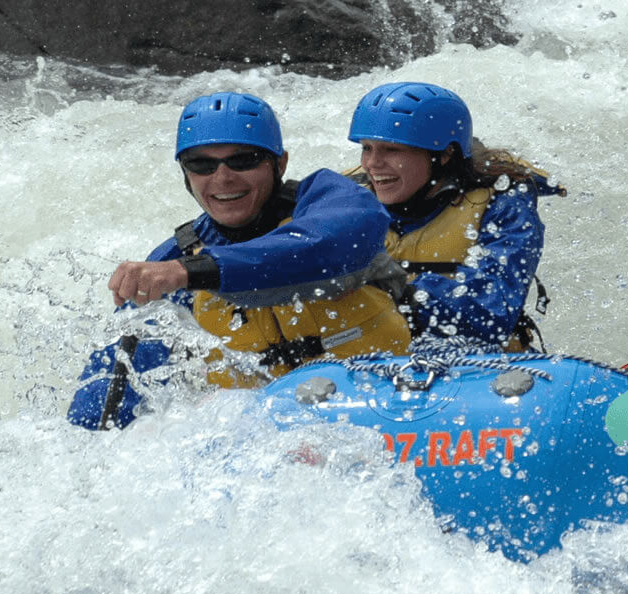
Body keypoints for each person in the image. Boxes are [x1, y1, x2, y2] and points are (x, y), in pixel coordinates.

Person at [68, 91, 410, 430]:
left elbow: (324, 246)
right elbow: (105, 405)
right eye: (201, 164)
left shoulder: (332, 199)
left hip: (387, 395)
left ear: (280, 163)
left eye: (243, 160)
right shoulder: (172, 262)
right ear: (185, 174)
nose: (222, 178)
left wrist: (197, 271)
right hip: (269, 432)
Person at [346, 82, 562, 351]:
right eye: (367, 148)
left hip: (477, 368)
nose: (372, 164)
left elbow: (495, 309)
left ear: (445, 154)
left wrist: (395, 290)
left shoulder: (503, 204)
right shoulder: (345, 200)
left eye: (392, 149)